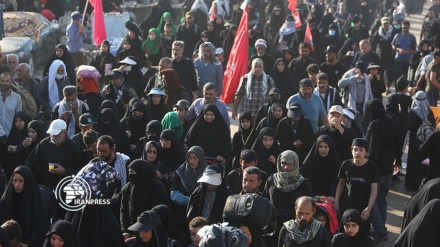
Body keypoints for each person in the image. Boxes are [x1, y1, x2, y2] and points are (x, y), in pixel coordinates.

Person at [334, 138, 379, 234]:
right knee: (345, 232)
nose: (357, 152)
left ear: (366, 152)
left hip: (363, 208)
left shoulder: (372, 167)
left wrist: (369, 209)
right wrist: (337, 201)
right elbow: (341, 183)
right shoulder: (346, 164)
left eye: (361, 150)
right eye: (355, 149)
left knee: (362, 234)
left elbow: (374, 190)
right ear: (351, 150)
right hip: (346, 206)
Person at [263, 151, 313, 237]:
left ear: (295, 164)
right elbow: (265, 203)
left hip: (296, 231)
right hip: (273, 230)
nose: (286, 167)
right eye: (283, 163)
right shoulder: (271, 181)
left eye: (290, 164)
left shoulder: (303, 184)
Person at [25, 119, 83, 189]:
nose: (53, 136)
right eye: (52, 133)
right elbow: (30, 163)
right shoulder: (43, 144)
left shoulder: (73, 147)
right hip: (43, 187)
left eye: (57, 134)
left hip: (64, 188)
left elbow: (80, 169)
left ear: (64, 132)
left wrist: (65, 171)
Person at [0, 166, 49, 247]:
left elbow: (41, 227)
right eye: (14, 180)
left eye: (21, 181)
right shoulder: (6, 200)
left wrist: (27, 244)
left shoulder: (36, 201)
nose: (17, 184)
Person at [120, 159, 170, 236]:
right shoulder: (128, 188)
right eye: (129, 172)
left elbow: (163, 210)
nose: (130, 175)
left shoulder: (157, 187)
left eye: (133, 172)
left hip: (154, 232)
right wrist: (125, 230)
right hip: (132, 232)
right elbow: (124, 211)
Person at [171, 146, 208, 231]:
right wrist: (188, 200)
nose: (192, 161)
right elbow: (174, 192)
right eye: (190, 158)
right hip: (183, 211)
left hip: (201, 211)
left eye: (195, 158)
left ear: (200, 158)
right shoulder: (181, 170)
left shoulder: (207, 172)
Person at [405, 91, 435, 190]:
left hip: (415, 142)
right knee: (423, 163)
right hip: (426, 142)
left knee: (413, 163)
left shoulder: (414, 112)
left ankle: (411, 185)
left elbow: (408, 126)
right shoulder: (429, 111)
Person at [338, 62, 373, 129]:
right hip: (349, 106)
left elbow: (369, 93)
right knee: (348, 127)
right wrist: (353, 78)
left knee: (359, 128)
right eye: (360, 71)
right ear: (356, 69)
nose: (362, 74)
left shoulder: (366, 77)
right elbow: (340, 84)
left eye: (363, 72)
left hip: (361, 108)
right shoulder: (348, 74)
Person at [371, 17, 398, 94]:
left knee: (390, 73)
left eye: (387, 23)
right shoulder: (377, 33)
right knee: (380, 72)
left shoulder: (394, 32)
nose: (386, 25)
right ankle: (382, 87)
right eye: (384, 23)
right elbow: (373, 44)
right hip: (380, 56)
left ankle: (388, 87)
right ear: (381, 24)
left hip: (390, 56)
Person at [392, 21, 417, 89]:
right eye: (403, 28)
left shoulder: (412, 37)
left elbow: (414, 49)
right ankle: (397, 90)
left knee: (405, 77)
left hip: (407, 60)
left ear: (409, 27)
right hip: (398, 59)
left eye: (406, 28)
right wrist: (398, 49)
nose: (404, 29)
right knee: (397, 76)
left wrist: (407, 52)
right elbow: (393, 46)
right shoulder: (397, 36)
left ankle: (404, 89)